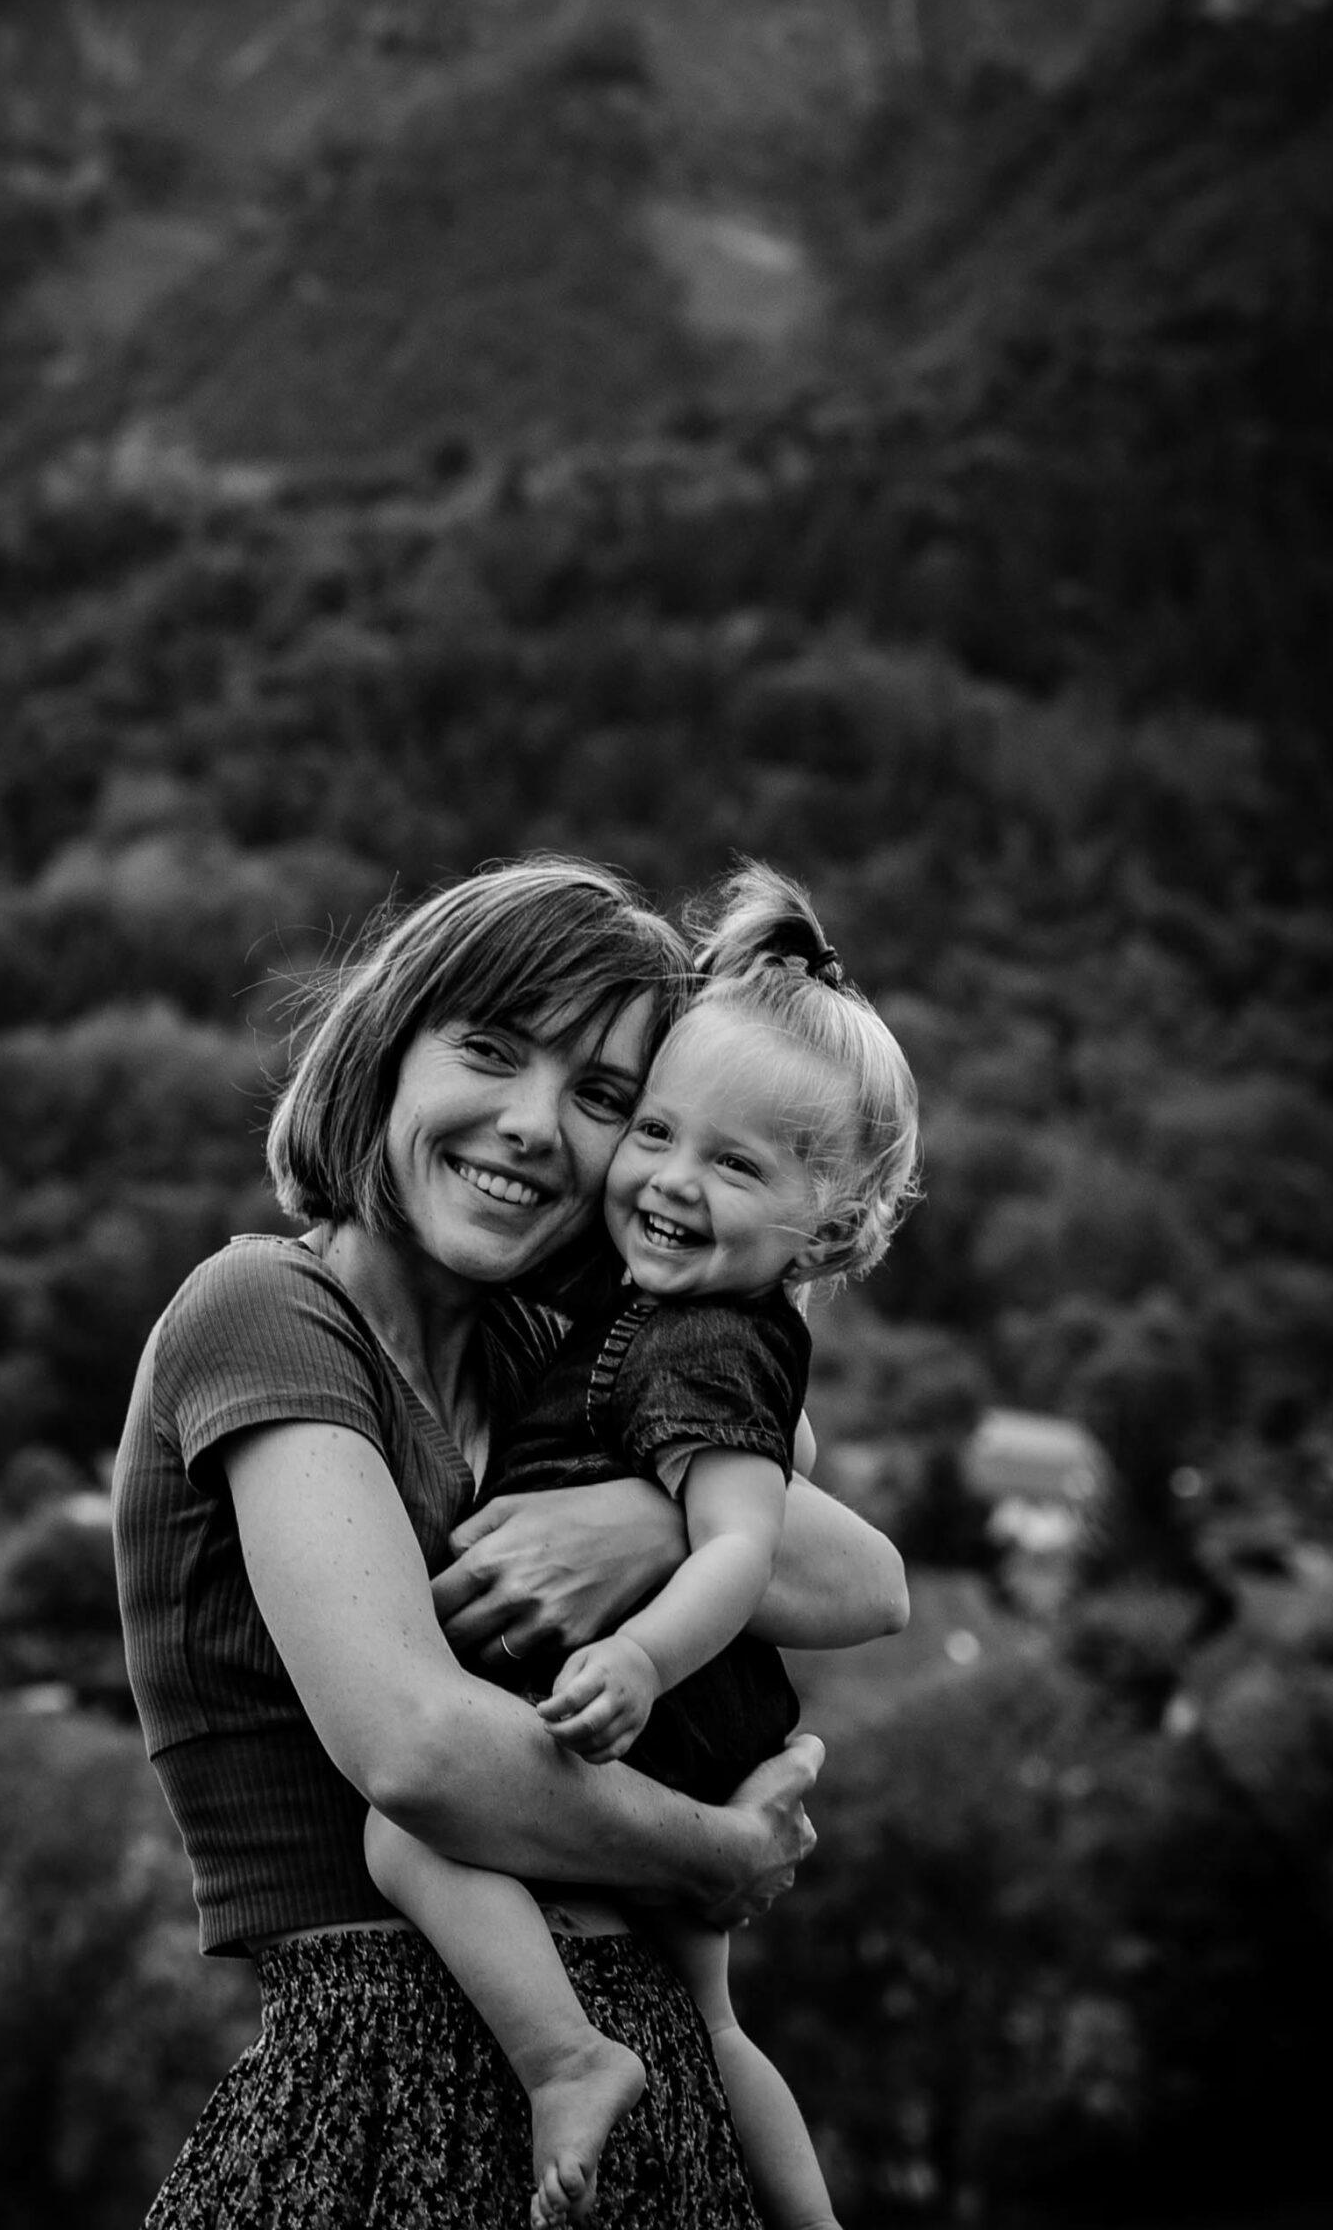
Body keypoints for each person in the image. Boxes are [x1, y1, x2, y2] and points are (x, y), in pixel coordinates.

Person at [113, 857, 910, 2229]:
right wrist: (713, 1853)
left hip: (658, 2092)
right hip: (388, 2079)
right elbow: (416, 1753)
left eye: (603, 1097)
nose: (536, 1125)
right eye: (489, 1050)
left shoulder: (555, 1362)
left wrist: (643, 1521)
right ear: (386, 1054)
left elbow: (869, 1581)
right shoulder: (265, 1311)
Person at [366, 863, 920, 2229]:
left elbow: (745, 1545)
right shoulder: (664, 1307)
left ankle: (566, 2058)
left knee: (403, 1830)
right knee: (717, 2025)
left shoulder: (705, 1339)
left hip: (646, 1695)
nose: (670, 1180)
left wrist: (638, 1656)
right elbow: (779, 1466)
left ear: (828, 1223)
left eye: (733, 1164)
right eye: (656, 1131)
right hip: (686, 1709)